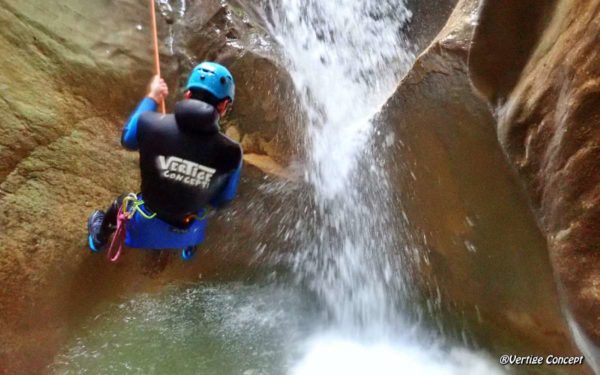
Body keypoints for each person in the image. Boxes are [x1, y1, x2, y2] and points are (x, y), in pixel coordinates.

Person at [86, 62, 243, 258]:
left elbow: (127, 140)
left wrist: (152, 96)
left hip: (143, 229)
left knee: (122, 201)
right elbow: (222, 201)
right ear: (223, 105)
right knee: (201, 210)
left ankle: (98, 238)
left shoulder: (151, 124)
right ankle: (187, 251)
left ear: (187, 94)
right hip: (188, 232)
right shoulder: (232, 152)